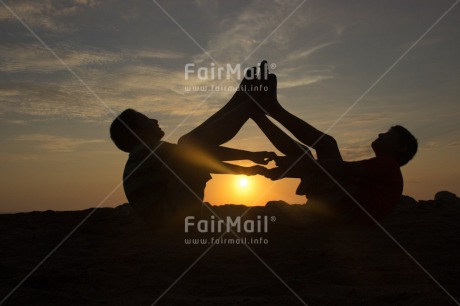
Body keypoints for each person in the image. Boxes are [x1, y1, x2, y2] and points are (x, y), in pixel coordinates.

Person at [249, 61, 418, 225]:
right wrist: (292, 168)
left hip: (341, 212)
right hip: (338, 210)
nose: (381, 134)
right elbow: (330, 171)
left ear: (400, 147)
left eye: (389, 134)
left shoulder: (388, 166)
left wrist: (294, 166)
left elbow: (342, 169)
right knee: (307, 155)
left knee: (327, 145)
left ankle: (269, 109)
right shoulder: (382, 172)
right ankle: (260, 114)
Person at [110, 68, 274, 228]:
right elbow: (200, 160)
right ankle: (243, 103)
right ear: (138, 132)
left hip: (173, 219)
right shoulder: (149, 151)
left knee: (189, 143)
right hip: (176, 221)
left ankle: (243, 103)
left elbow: (200, 158)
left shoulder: (142, 157)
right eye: (146, 119)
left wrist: (250, 161)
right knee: (188, 144)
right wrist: (248, 165)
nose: (154, 120)